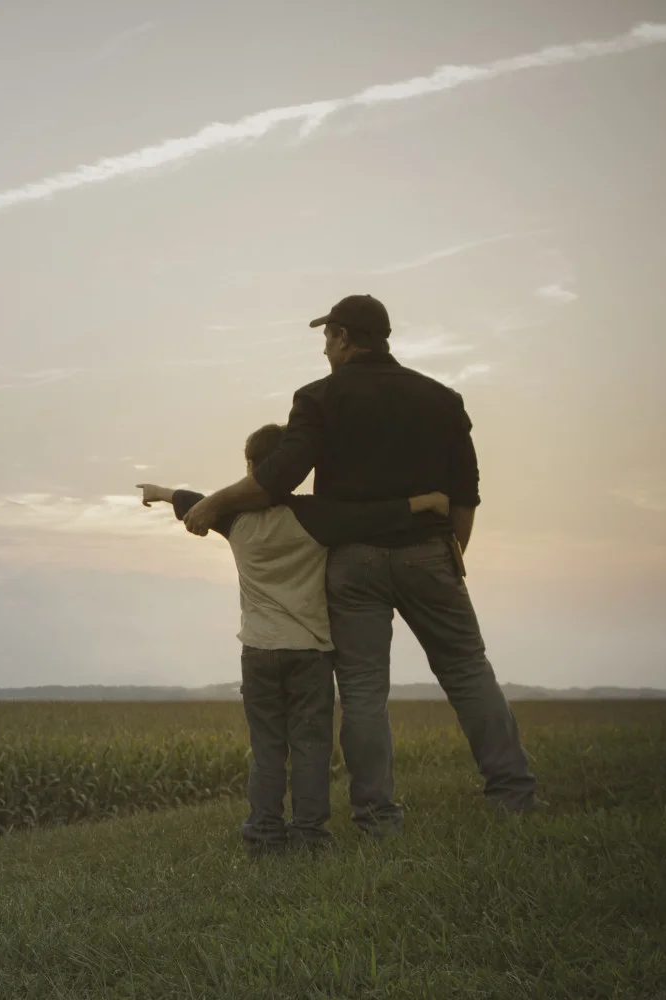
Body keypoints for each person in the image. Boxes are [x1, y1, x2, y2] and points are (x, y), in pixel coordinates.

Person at [183, 294, 539, 836]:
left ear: (346, 337)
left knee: (365, 691)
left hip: (352, 565)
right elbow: (465, 493)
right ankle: (513, 796)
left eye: (328, 337)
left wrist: (212, 502)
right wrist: (454, 553)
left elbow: (277, 478)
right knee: (468, 672)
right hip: (429, 553)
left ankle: (376, 816)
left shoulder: (318, 398)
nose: (325, 347)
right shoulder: (442, 399)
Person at [140, 424, 448, 853]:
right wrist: (426, 502)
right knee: (310, 748)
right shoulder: (315, 515)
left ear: (249, 469)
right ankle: (309, 836)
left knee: (267, 750)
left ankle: (264, 834)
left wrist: (158, 491)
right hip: (310, 653)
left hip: (259, 651)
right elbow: (375, 515)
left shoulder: (233, 518)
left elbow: (191, 500)